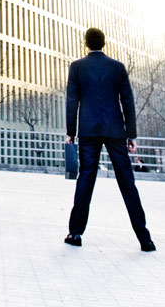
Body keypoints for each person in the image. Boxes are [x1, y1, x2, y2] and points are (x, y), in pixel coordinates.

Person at [63, 27, 154, 251]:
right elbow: (128, 102)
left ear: (86, 43)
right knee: (127, 182)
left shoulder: (77, 67)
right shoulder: (118, 68)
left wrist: (71, 132)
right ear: (104, 44)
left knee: (85, 179)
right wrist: (131, 134)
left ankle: (75, 234)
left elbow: (72, 101)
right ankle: (145, 240)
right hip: (115, 130)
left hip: (88, 130)